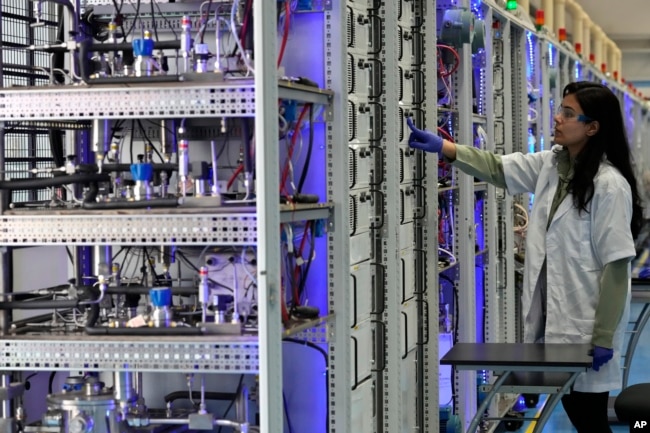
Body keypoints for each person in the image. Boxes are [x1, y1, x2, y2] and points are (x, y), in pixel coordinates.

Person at [407, 81, 643, 433]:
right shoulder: (553, 165)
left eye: (568, 113)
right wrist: (445, 147)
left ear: (592, 127)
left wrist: (604, 336)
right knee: (584, 416)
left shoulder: (609, 186)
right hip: (556, 325)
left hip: (586, 327)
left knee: (589, 418)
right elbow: (498, 168)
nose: (558, 118)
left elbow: (617, 264)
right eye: (559, 109)